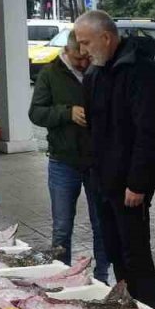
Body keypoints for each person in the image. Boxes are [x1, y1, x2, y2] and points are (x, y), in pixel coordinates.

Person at [74, 10, 155, 309]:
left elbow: (148, 132)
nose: (82, 51)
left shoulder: (141, 72)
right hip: (103, 179)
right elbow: (93, 130)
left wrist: (138, 183)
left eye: (86, 43)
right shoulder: (96, 73)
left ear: (106, 37)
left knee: (136, 254)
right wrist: (92, 173)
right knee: (115, 251)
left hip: (131, 184)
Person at [29, 31, 110, 283]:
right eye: (78, 59)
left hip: (97, 162)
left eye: (86, 57)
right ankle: (61, 277)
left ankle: (101, 278)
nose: (83, 63)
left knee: (102, 226)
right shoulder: (50, 74)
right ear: (67, 50)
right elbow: (36, 113)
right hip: (63, 161)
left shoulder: (98, 71)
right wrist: (66, 113)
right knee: (62, 227)